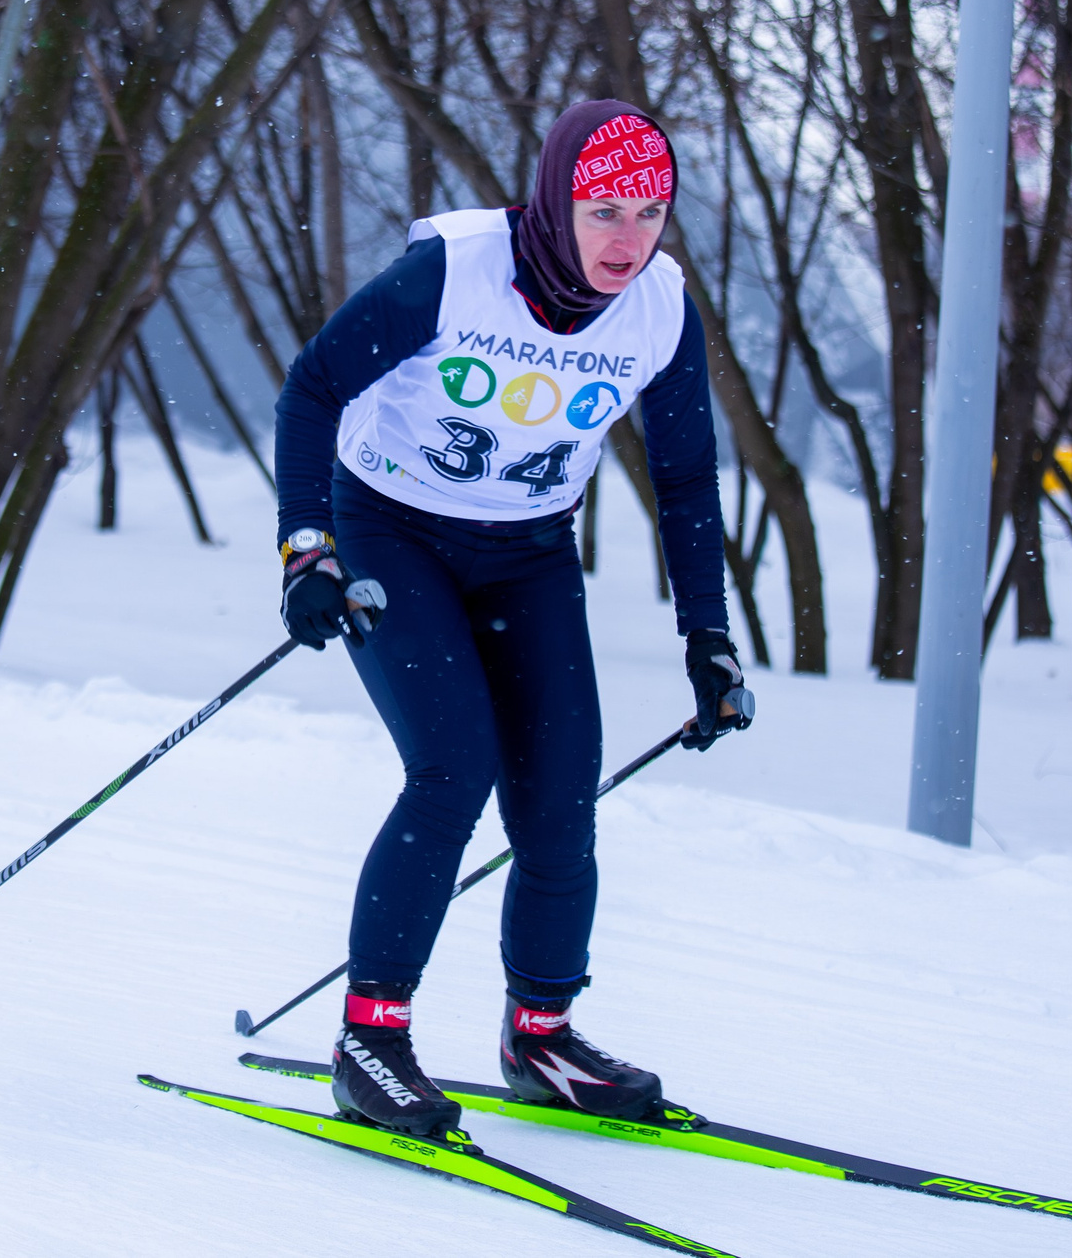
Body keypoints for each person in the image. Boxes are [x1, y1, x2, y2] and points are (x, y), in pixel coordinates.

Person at [271, 98, 752, 1138]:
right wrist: (307, 547)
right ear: (554, 201)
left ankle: (541, 1036)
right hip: (392, 527)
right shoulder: (456, 272)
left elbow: (684, 482)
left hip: (528, 551)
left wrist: (707, 637)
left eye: (650, 214)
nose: (628, 240)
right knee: (453, 769)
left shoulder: (660, 308)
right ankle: (369, 1038)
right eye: (604, 211)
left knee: (559, 793)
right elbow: (312, 389)